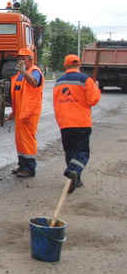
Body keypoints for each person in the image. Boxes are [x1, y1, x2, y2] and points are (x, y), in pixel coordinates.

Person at [53, 54, 101, 192]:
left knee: (70, 152)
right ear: (79, 65)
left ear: (65, 66)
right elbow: (93, 100)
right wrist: (96, 88)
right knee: (81, 152)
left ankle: (74, 179)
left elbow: (56, 103)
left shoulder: (59, 82)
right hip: (81, 122)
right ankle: (73, 171)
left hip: (65, 122)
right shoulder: (86, 80)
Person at [10, 48, 43, 178]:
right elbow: (17, 94)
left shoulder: (35, 72)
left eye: (23, 59)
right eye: (19, 59)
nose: (20, 61)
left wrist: (24, 73)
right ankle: (22, 165)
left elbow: (34, 82)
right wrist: (14, 111)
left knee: (28, 140)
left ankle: (30, 169)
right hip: (20, 113)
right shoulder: (20, 74)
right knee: (20, 140)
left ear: (30, 60)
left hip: (30, 112)